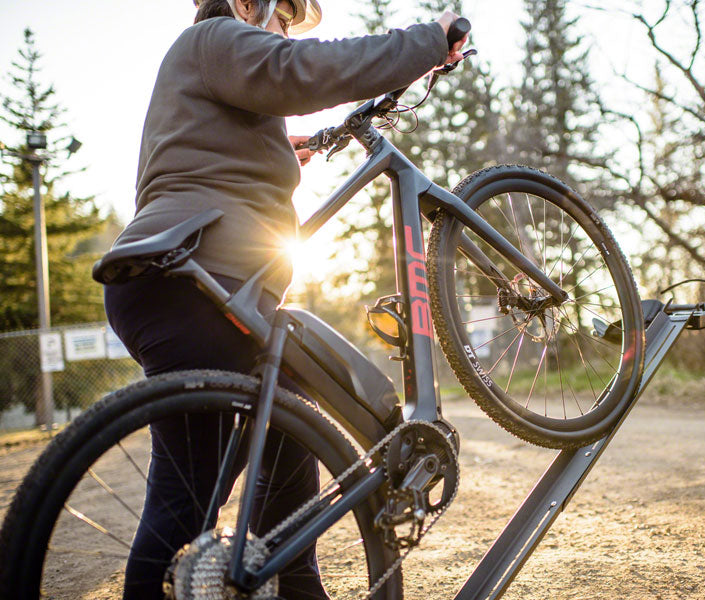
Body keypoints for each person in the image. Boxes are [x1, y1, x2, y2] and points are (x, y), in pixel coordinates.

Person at [102, 1, 468, 597]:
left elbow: (206, 149)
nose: (285, 32)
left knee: (293, 432)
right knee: (185, 500)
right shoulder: (214, 38)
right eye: (283, 19)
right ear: (249, 3)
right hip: (199, 284)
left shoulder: (203, 67)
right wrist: (427, 42)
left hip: (193, 281)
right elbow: (299, 70)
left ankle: (298, 584)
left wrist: (278, 147)